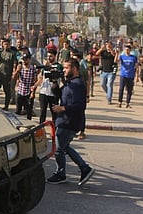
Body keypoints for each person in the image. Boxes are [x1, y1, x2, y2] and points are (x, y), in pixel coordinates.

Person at [47, 58, 95, 186]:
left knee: (59, 148)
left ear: (74, 69)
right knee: (64, 147)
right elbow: (59, 94)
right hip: (64, 120)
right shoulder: (70, 82)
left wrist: (63, 108)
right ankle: (82, 169)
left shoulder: (78, 84)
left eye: (66, 68)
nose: (63, 70)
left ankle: (67, 172)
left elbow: (80, 105)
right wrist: (54, 83)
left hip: (69, 122)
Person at [35, 48, 63, 123]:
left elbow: (60, 75)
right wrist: (35, 86)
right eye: (47, 56)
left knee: (54, 113)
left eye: (50, 56)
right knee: (42, 112)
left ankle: (55, 130)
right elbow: (41, 78)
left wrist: (53, 70)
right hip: (43, 92)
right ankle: (40, 129)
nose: (49, 58)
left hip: (53, 93)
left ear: (54, 56)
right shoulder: (45, 66)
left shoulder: (58, 66)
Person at [0, 38, 18, 110]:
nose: (6, 45)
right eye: (5, 44)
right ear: (2, 45)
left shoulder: (12, 53)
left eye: (7, 44)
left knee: (7, 90)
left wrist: (14, 72)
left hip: (7, 75)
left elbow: (15, 63)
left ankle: (6, 106)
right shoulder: (0, 52)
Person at [95, 40, 120, 105]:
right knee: (102, 84)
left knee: (109, 85)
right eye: (107, 45)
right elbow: (96, 54)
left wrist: (111, 50)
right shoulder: (103, 52)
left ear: (111, 45)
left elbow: (115, 59)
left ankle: (109, 99)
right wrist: (101, 48)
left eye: (109, 44)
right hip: (103, 71)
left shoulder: (113, 52)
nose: (108, 46)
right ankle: (108, 93)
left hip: (111, 72)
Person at [15, 53, 37, 119]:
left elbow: (35, 81)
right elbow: (14, 77)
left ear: (29, 60)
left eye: (26, 59)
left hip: (28, 93)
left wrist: (33, 93)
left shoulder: (33, 69)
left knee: (29, 111)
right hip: (20, 91)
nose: (24, 61)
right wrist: (17, 71)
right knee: (18, 110)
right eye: (23, 59)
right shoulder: (20, 68)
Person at [117, 44, 138, 108]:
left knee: (129, 90)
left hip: (131, 75)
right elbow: (116, 61)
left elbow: (136, 66)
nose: (127, 51)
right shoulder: (122, 56)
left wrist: (137, 76)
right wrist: (117, 54)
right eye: (125, 50)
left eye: (128, 50)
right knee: (121, 89)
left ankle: (127, 103)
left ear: (130, 50)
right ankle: (119, 102)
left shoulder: (133, 57)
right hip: (123, 75)